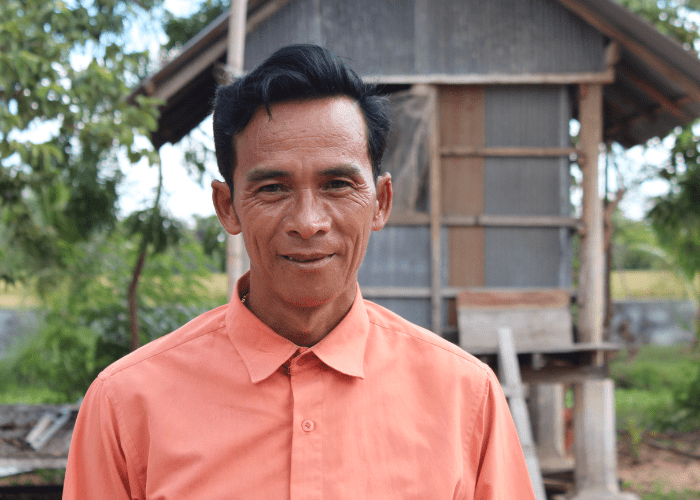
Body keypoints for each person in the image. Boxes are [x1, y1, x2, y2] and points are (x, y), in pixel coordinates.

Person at [63, 44, 535, 499]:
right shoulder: (126, 405)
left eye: (337, 184)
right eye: (272, 188)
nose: (308, 223)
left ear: (380, 202)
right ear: (228, 208)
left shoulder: (465, 399)